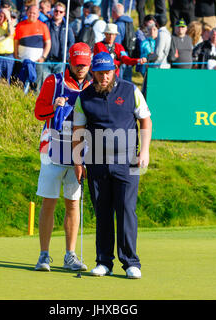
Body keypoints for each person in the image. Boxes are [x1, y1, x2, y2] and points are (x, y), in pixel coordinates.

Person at [72, 51, 152, 279]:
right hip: (96, 161)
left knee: (127, 210)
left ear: (114, 71)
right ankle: (104, 261)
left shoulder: (130, 91)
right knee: (103, 211)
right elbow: (77, 131)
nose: (103, 77)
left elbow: (145, 119)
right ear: (93, 72)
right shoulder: (84, 97)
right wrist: (78, 162)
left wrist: (144, 151)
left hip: (129, 160)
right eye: (99, 73)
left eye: (107, 72)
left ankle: (131, 263)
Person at [33, 42, 92, 273]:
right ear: (70, 61)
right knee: (49, 201)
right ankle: (43, 255)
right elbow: (39, 112)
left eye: (85, 65)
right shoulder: (54, 81)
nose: (81, 69)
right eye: (77, 64)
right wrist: (54, 106)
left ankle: (70, 255)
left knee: (73, 203)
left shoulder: (93, 85)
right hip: (52, 149)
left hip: (79, 150)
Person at [13, 4, 51, 91]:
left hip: (37, 62)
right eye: (30, 13)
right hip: (22, 61)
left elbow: (48, 43)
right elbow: (15, 42)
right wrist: (16, 56)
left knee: (35, 87)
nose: (32, 15)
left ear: (38, 15)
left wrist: (43, 57)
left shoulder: (43, 26)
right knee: (19, 85)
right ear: (27, 13)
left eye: (34, 13)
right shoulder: (20, 25)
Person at [44, 1, 75, 78]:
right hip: (47, 60)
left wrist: (67, 55)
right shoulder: (46, 24)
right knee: (45, 82)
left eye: (61, 12)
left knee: (58, 83)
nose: (58, 13)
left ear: (64, 13)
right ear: (53, 11)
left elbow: (71, 42)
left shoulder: (67, 27)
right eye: (56, 11)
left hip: (60, 61)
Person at [112, 3, 134, 81]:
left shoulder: (118, 25)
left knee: (120, 80)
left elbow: (116, 43)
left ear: (114, 12)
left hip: (121, 56)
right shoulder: (129, 22)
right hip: (129, 53)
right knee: (128, 79)